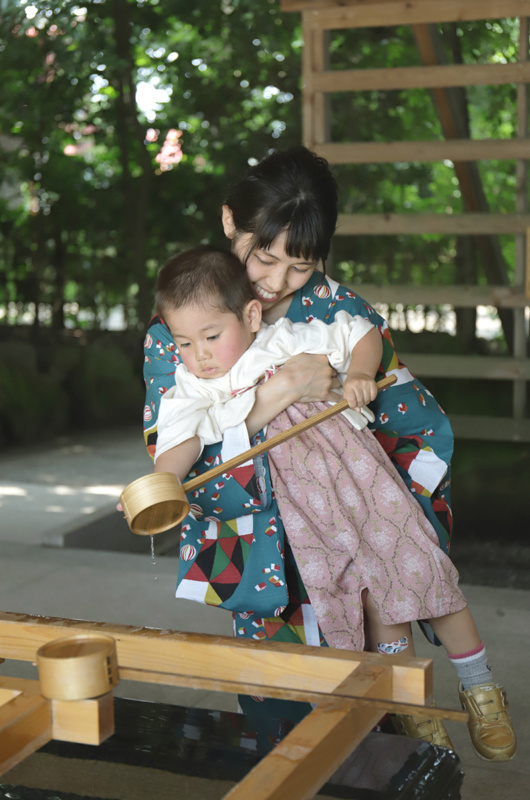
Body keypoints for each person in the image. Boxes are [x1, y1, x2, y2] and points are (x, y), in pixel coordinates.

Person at [142, 146, 516, 761]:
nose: (277, 281)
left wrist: (377, 483)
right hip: (265, 539)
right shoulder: (185, 325)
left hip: (354, 504)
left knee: (382, 698)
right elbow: (178, 454)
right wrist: (279, 395)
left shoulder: (336, 307)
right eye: (263, 257)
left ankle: (432, 710)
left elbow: (399, 411)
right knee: (285, 719)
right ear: (231, 221)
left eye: (300, 265)